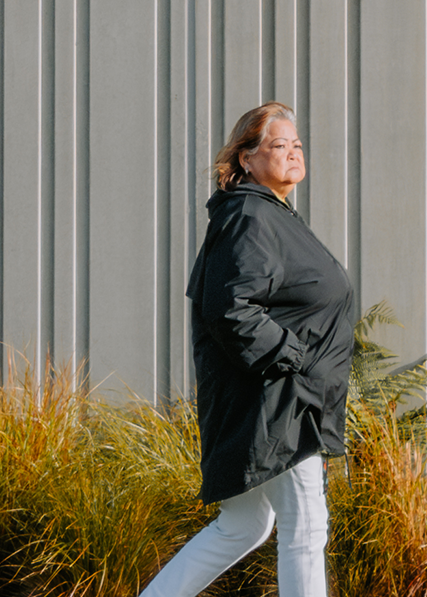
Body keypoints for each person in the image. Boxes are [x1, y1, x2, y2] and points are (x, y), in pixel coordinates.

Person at [140, 102, 357, 597]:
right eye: (279, 145)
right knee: (306, 525)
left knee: (243, 526)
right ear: (246, 158)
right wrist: (294, 361)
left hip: (279, 396)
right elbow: (230, 308)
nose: (294, 152)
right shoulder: (250, 215)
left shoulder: (271, 214)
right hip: (277, 400)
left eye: (297, 144)